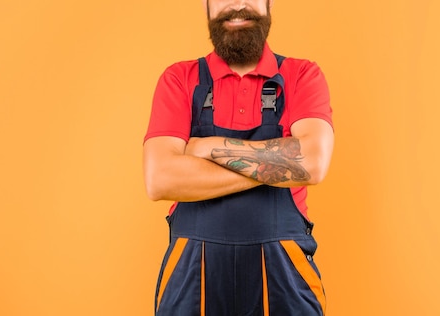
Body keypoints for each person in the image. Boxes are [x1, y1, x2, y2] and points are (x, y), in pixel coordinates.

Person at [143, 0, 334, 315]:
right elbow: (159, 178)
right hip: (190, 278)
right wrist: (277, 164)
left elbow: (312, 162)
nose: (237, 5)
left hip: (286, 276)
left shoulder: (301, 75)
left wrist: (207, 148)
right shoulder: (179, 78)